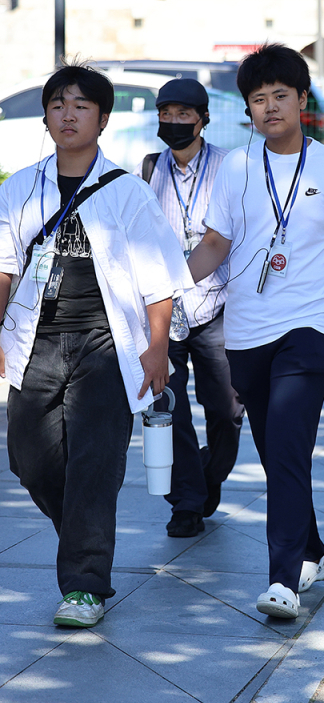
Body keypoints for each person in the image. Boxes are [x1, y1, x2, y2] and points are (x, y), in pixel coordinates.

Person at [187, 44, 324, 620]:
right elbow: (216, 245)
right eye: (257, 100)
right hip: (246, 333)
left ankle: (283, 580)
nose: (269, 108)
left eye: (279, 96)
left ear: (302, 102)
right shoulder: (236, 168)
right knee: (277, 452)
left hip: (309, 327)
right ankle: (312, 544)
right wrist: (165, 291)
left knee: (290, 445)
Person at [0, 63, 191, 628]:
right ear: (46, 115)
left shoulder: (127, 191)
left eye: (80, 105)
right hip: (35, 338)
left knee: (94, 461)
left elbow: (159, 277)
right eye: (57, 103)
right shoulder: (19, 187)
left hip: (107, 343)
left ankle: (84, 585)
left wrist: (157, 349)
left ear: (103, 119)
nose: (67, 114)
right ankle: (83, 537)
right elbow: (4, 270)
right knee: (27, 457)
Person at [135, 78, 243, 538]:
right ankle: (186, 504)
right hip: (164, 308)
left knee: (227, 409)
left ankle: (208, 475)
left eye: (184, 115)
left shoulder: (230, 167)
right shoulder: (149, 167)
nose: (174, 123)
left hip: (216, 304)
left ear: (203, 119)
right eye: (166, 114)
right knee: (169, 406)